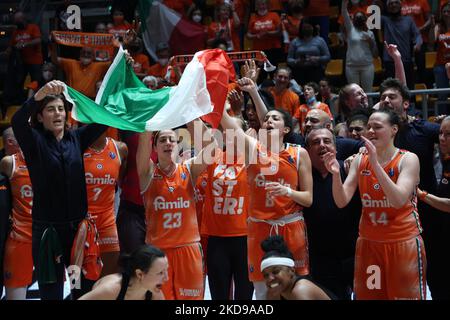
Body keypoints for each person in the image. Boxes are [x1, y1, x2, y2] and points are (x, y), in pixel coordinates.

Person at [11, 80, 108, 300]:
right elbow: (18, 121)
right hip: (48, 235)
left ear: (67, 114)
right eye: (50, 109)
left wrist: (121, 73)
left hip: (78, 234)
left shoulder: (77, 138)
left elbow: (104, 119)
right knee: (52, 294)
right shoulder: (33, 141)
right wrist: (38, 95)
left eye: (61, 109)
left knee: (80, 291)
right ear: (39, 116)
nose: (57, 113)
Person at [220, 77, 313, 300]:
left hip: (290, 226)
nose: (269, 121)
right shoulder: (253, 148)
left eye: (275, 119)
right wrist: (217, 103)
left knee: (295, 289)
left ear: (286, 129)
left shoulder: (299, 154)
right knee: (263, 292)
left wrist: (288, 192)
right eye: (267, 119)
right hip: (259, 228)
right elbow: (227, 125)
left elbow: (308, 199)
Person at [324, 109, 426, 300]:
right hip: (369, 245)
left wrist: (375, 164)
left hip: (402, 244)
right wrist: (336, 175)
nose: (370, 131)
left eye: (377, 127)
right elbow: (341, 200)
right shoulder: (359, 160)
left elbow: (398, 200)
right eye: (369, 126)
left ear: (394, 129)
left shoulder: (408, 159)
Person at [136, 121, 212, 300]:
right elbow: (143, 143)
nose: (168, 143)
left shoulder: (189, 168)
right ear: (154, 147)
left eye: (172, 139)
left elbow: (212, 149)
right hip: (157, 253)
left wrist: (190, 116)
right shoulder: (147, 172)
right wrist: (149, 117)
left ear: (178, 145)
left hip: (188, 249)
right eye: (162, 140)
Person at [303, 127, 361, 300]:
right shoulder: (302, 176)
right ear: (307, 151)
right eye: (315, 142)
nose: (322, 145)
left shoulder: (350, 169)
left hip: (355, 254)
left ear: (336, 149)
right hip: (321, 259)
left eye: (327, 141)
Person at [201, 117, 254, 300]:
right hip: (217, 239)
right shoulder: (212, 155)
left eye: (234, 131)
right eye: (225, 130)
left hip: (245, 239)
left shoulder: (252, 158)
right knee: (219, 297)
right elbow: (196, 129)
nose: (229, 134)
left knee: (244, 298)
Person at [84, 132, 128, 277]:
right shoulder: (75, 145)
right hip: (81, 222)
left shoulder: (120, 149)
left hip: (107, 220)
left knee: (109, 276)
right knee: (79, 280)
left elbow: (121, 181)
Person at [416, 115, 450, 299]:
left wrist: (421, 195)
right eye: (440, 133)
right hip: (441, 237)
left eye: (448, 134)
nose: (442, 138)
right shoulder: (443, 159)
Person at [0, 128, 33, 300]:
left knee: (69, 287)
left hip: (48, 239)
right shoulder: (7, 163)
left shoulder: (52, 159)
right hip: (19, 238)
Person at [79, 244, 168, 300]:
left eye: (166, 270)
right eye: (160, 273)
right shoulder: (110, 290)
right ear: (140, 274)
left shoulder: (154, 294)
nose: (166, 278)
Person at [261, 235, 335, 300]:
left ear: (292, 270)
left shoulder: (301, 290)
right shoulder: (273, 293)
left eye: (275, 271)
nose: (270, 278)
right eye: (265, 275)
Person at [381, 0, 422, 89]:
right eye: (391, 3)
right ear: (387, 7)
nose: (393, 5)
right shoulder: (384, 20)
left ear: (401, 5)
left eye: (396, 2)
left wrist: (418, 43)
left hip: (406, 60)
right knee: (391, 89)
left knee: (408, 89)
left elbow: (417, 35)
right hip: (390, 62)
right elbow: (370, 20)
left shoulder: (409, 20)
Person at [342, 0, 378, 93]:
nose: (359, 19)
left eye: (361, 18)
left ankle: (369, 108)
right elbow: (344, 13)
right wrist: (344, 3)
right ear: (353, 20)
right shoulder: (350, 30)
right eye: (357, 17)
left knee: (367, 93)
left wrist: (371, 42)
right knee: (354, 94)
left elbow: (375, 54)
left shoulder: (370, 33)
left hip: (367, 66)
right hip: (351, 67)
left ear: (365, 20)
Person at [287, 20, 330, 85]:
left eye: (309, 27)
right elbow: (289, 59)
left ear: (313, 27)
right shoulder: (295, 41)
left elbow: (327, 57)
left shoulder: (320, 40)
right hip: (299, 71)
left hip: (315, 70)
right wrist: (297, 61)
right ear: (301, 29)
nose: (307, 29)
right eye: (304, 27)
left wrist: (317, 58)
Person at [430, 3, 450, 102]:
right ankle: (442, 116)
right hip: (440, 65)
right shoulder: (438, 26)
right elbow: (431, 41)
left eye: (448, 11)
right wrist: (432, 27)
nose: (446, 13)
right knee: (442, 96)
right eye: (444, 11)